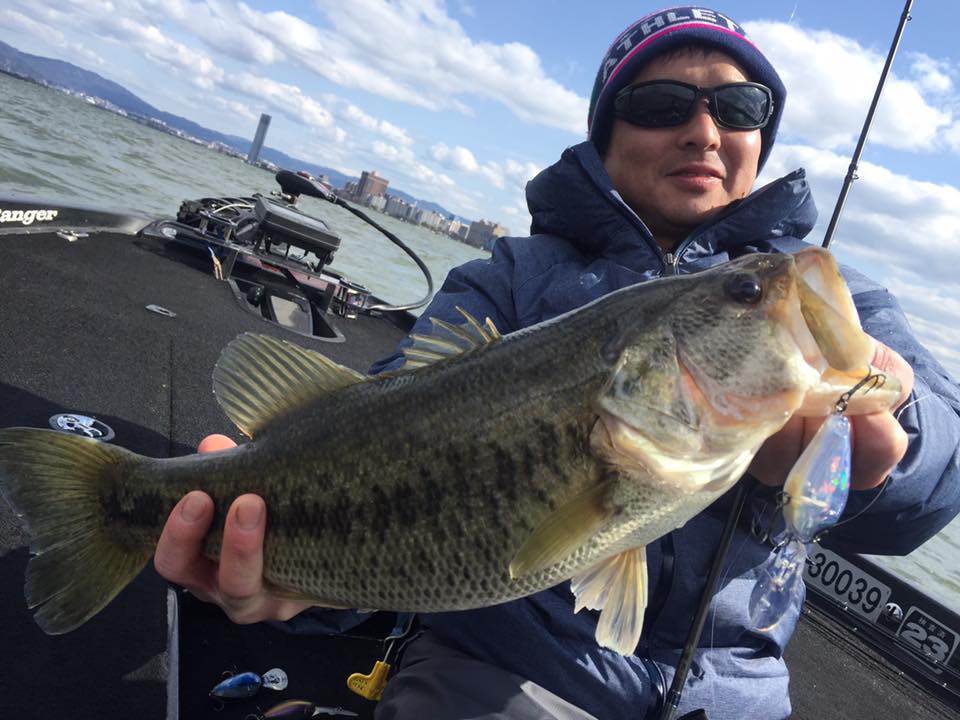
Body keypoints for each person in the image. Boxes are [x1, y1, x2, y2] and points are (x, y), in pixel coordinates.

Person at [154, 7, 960, 719]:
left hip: (732, 698)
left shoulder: (834, 297)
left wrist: (891, 446)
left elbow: (941, 471)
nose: (704, 131)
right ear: (606, 135)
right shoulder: (511, 278)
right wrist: (295, 586)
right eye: (661, 105)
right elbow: (378, 441)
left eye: (740, 107)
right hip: (504, 671)